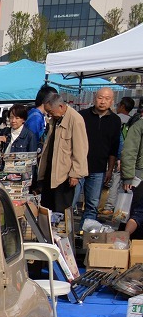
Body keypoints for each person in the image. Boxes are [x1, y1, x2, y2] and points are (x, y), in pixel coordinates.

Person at [34, 94, 88, 225]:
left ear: (61, 106)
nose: (50, 115)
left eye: (51, 112)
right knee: (47, 208)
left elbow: (81, 149)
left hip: (64, 174)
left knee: (61, 211)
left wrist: (75, 173)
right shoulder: (55, 119)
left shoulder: (76, 120)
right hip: (50, 170)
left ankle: (61, 240)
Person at [78, 88, 121, 230]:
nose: (103, 101)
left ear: (112, 101)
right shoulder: (82, 116)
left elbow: (113, 148)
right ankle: (67, 237)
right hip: (79, 167)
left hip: (99, 169)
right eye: (100, 97)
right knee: (70, 204)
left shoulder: (115, 120)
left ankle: (87, 234)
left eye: (107, 98)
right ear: (95, 98)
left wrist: (110, 170)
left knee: (92, 204)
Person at [120, 109, 143, 239]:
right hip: (139, 177)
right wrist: (128, 176)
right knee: (134, 213)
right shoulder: (139, 125)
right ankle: (127, 243)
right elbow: (129, 151)